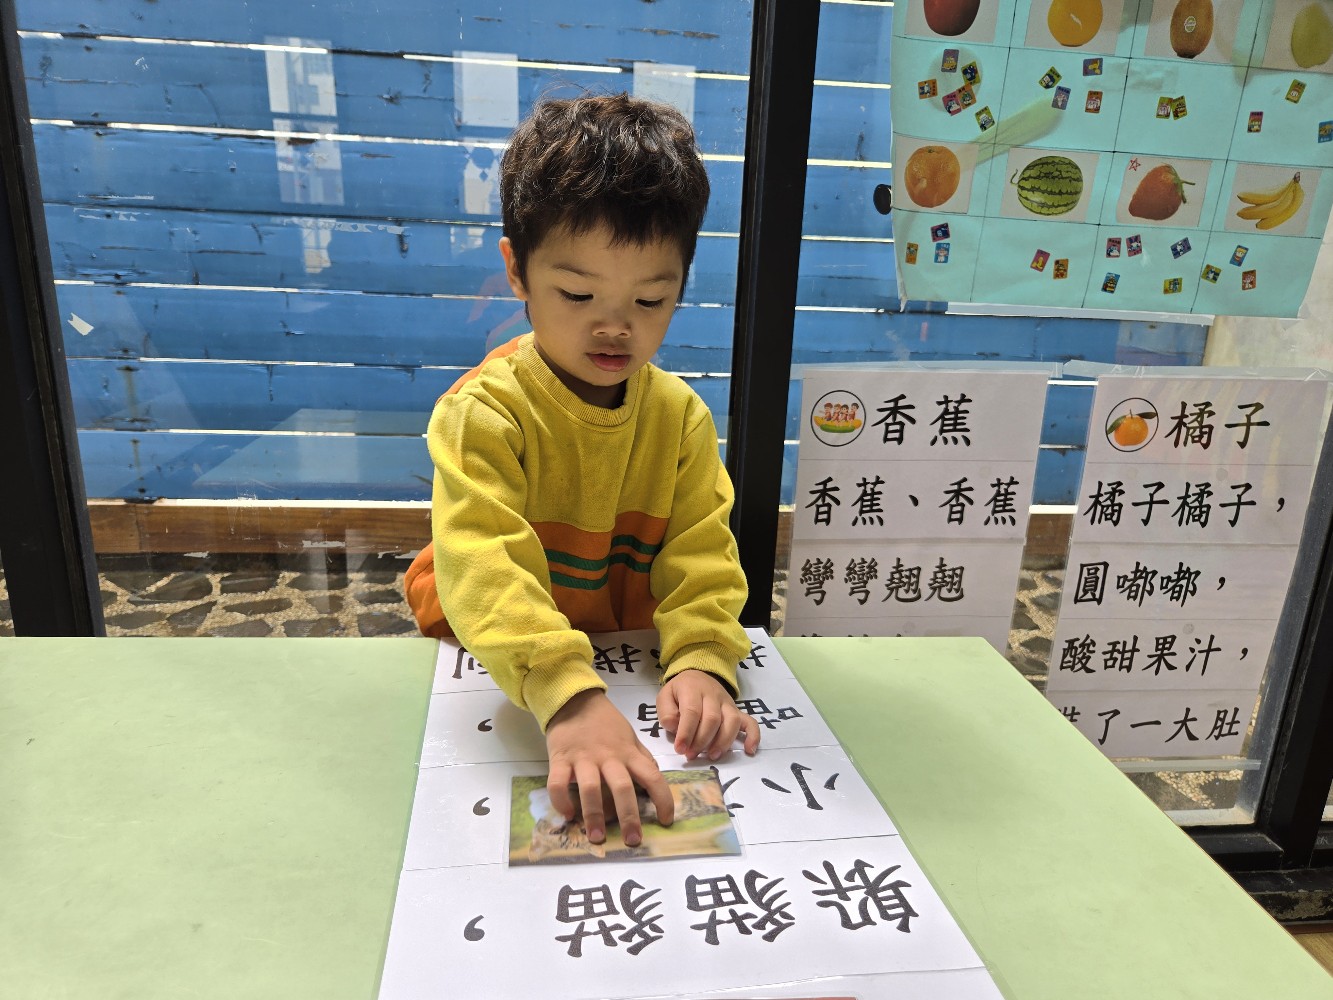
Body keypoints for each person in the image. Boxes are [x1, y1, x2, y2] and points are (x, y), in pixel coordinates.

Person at [403, 92, 760, 850]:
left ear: (681, 284)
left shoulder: (679, 418)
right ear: (517, 271)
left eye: (651, 299)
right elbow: (485, 566)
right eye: (576, 294)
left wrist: (703, 658)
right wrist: (567, 698)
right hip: (497, 653)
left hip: (620, 648)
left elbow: (702, 555)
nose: (614, 326)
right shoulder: (484, 414)